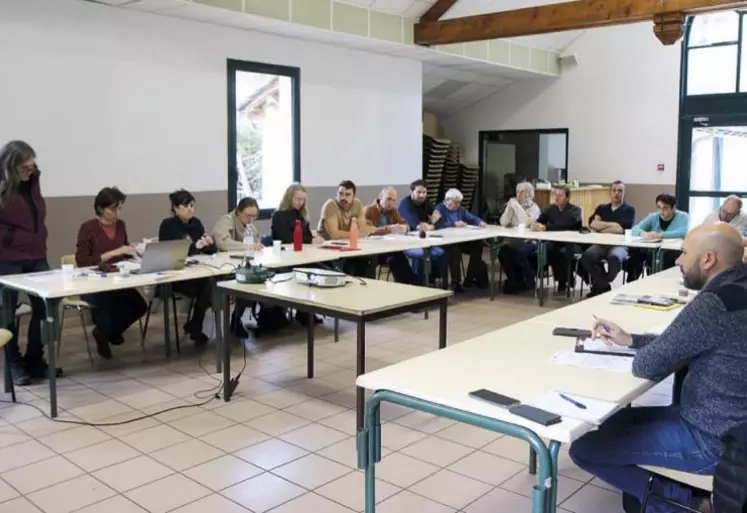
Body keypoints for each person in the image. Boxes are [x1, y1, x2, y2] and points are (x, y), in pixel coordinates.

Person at [570, 222, 747, 513]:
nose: (677, 260)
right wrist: (630, 339)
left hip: (714, 440)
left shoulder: (713, 304)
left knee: (583, 448)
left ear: (708, 259)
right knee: (608, 424)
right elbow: (684, 341)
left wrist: (640, 348)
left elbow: (646, 366)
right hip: (732, 427)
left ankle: (684, 503)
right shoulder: (738, 285)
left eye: (683, 253)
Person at [0, 141, 57, 385]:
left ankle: (35, 360)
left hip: (36, 256)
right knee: (6, 313)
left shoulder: (33, 182)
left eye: (32, 167)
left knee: (46, 307)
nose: (29, 172)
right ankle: (13, 364)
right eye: (24, 168)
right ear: (10, 166)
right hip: (8, 258)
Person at [75, 187, 148, 360]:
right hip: (94, 281)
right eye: (113, 208)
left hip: (118, 278)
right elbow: (83, 261)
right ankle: (105, 334)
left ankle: (107, 332)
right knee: (109, 304)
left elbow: (123, 250)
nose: (117, 213)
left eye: (119, 208)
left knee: (139, 306)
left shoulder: (121, 225)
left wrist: (135, 252)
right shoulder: (88, 228)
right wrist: (114, 252)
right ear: (101, 208)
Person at [157, 189, 216, 346]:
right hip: (176, 275)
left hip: (197, 272)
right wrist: (195, 246)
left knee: (211, 284)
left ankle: (195, 324)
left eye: (192, 205)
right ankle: (195, 325)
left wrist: (210, 243)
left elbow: (208, 250)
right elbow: (172, 252)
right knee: (208, 287)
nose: (191, 209)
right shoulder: (168, 226)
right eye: (186, 206)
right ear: (176, 208)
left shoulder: (196, 223)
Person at [270, 184, 324, 326]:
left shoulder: (302, 215)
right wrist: (310, 240)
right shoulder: (279, 215)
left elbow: (305, 236)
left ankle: (307, 311)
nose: (300, 202)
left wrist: (314, 239)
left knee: (323, 268)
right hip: (285, 258)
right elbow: (287, 238)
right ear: (289, 198)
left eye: (303, 200)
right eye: (298, 199)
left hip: (302, 255)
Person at [212, 197, 264, 338]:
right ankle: (235, 321)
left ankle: (239, 318)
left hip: (245, 265)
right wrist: (247, 247)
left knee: (257, 280)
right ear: (238, 211)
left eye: (254, 216)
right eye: (247, 215)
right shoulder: (227, 221)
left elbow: (256, 242)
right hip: (224, 268)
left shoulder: (251, 226)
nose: (250, 219)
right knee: (243, 283)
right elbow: (223, 243)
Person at [579, 181, 636, 297]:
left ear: (624, 193)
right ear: (610, 192)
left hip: (619, 244)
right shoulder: (602, 208)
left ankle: (604, 281)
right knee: (587, 257)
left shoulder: (629, 210)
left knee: (614, 257)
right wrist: (614, 225)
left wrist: (602, 226)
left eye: (620, 191)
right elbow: (592, 223)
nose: (616, 193)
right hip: (601, 244)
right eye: (614, 190)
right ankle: (603, 285)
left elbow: (623, 229)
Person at [531, 185, 582, 293]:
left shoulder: (575, 210)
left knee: (561, 252)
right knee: (546, 249)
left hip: (571, 243)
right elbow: (540, 220)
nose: (557, 197)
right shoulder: (550, 209)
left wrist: (546, 228)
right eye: (555, 195)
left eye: (560, 195)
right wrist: (535, 225)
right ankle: (557, 278)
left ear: (567, 198)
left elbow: (565, 224)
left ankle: (566, 280)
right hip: (555, 241)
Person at [434, 188, 488, 292]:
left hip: (460, 239)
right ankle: (455, 282)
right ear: (448, 200)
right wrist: (454, 224)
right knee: (455, 251)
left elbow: (472, 218)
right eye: (456, 202)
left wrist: (480, 222)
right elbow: (436, 225)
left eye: (459, 202)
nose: (458, 205)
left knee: (477, 247)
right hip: (445, 241)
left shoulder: (460, 209)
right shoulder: (439, 209)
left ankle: (470, 278)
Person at [627, 194, 690, 280]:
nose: (661, 211)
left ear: (673, 208)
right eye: (659, 207)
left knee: (666, 256)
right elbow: (634, 229)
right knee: (636, 256)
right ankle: (633, 284)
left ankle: (662, 282)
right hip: (653, 252)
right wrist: (644, 234)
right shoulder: (653, 217)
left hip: (673, 252)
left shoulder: (683, 216)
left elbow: (682, 232)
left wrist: (660, 235)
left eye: (665, 208)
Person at [317, 180, 373, 277]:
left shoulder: (357, 204)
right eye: (340, 193)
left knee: (371, 257)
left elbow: (362, 229)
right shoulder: (330, 205)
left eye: (347, 194)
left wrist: (360, 233)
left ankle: (365, 287)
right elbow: (334, 235)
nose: (343, 197)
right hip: (328, 248)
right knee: (351, 263)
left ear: (353, 196)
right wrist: (356, 234)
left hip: (348, 246)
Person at [363, 187, 416, 284]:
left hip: (389, 248)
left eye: (393, 200)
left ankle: (411, 286)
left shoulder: (393, 211)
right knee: (394, 257)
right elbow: (368, 231)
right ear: (380, 197)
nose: (390, 203)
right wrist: (389, 229)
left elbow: (404, 223)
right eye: (388, 199)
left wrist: (405, 228)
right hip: (372, 250)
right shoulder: (369, 210)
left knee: (399, 256)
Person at [398, 179, 445, 285]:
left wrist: (431, 225)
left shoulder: (426, 202)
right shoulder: (406, 204)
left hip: (426, 240)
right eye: (418, 192)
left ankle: (433, 281)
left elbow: (440, 219)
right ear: (411, 192)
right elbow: (417, 225)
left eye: (424, 192)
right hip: (408, 243)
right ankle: (419, 284)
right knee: (422, 253)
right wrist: (431, 224)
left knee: (444, 251)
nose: (422, 195)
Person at [497, 181, 541, 294]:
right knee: (503, 252)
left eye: (522, 192)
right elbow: (503, 222)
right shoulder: (513, 205)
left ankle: (529, 279)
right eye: (517, 191)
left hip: (530, 241)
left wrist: (517, 207)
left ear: (528, 193)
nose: (518, 194)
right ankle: (513, 280)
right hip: (514, 240)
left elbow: (525, 222)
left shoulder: (534, 208)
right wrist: (509, 209)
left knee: (520, 252)